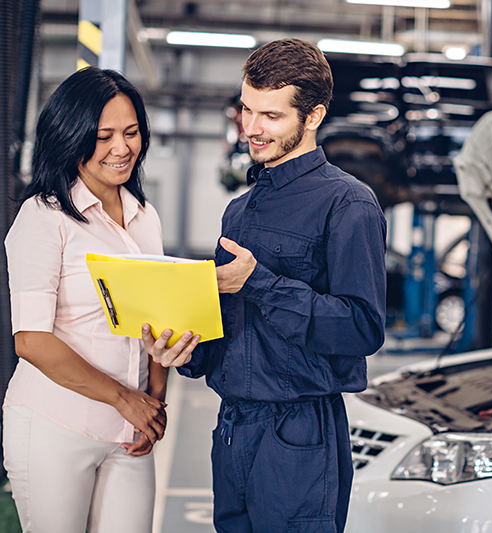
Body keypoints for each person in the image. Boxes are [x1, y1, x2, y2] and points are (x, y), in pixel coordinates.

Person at [143, 38, 387, 533]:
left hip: (299, 439)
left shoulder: (349, 204)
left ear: (313, 116)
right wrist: (183, 350)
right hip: (232, 430)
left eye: (271, 116)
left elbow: (362, 329)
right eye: (247, 110)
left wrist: (260, 283)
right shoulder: (240, 208)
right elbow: (226, 333)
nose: (252, 129)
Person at [2, 66, 188, 533]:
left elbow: (156, 317)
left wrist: (154, 401)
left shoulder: (145, 218)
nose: (121, 148)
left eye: (131, 133)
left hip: (128, 433)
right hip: (53, 426)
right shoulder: (43, 217)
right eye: (103, 136)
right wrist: (126, 399)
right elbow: (31, 340)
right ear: (71, 136)